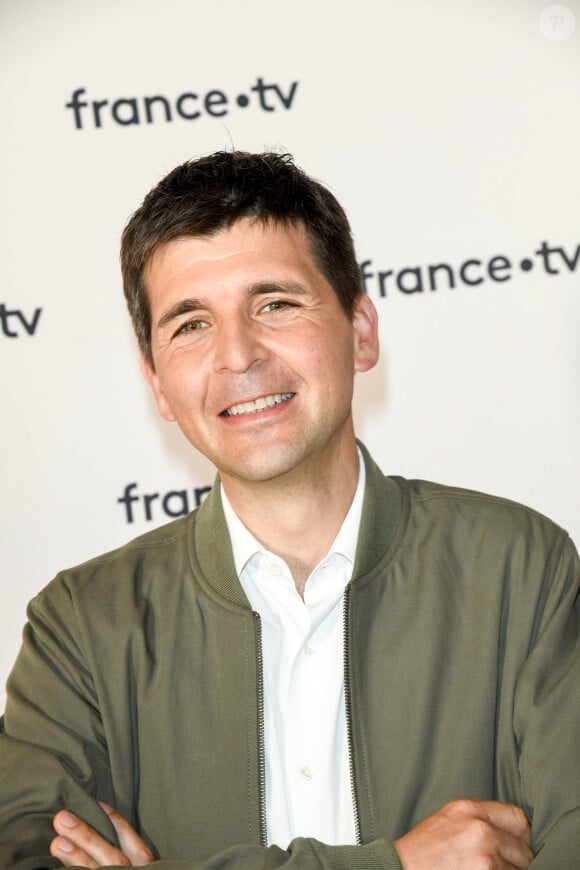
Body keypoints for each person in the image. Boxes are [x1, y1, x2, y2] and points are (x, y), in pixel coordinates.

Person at [0, 151, 578, 870]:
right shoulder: (79, 629)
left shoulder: (523, 569)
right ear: (156, 382)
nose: (237, 355)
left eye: (275, 304)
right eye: (189, 325)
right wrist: (395, 865)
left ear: (361, 332)